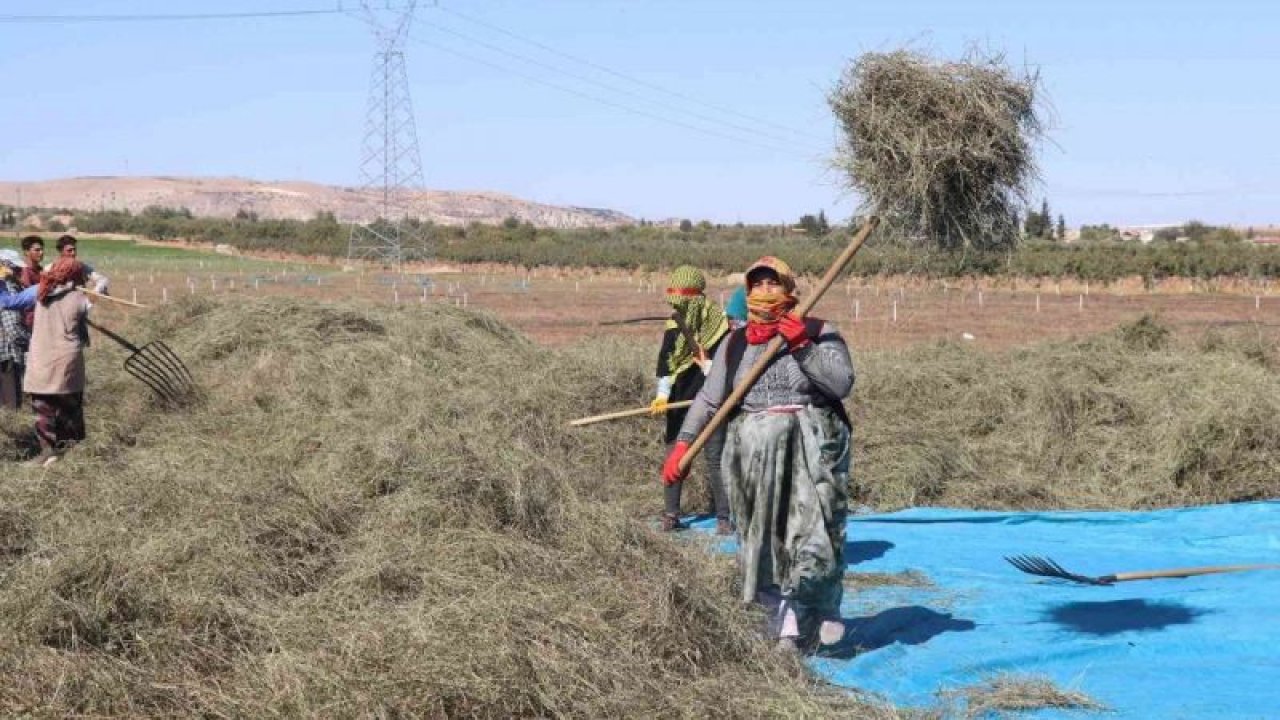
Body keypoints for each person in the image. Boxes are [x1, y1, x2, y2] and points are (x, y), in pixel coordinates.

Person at [662, 256, 854, 653]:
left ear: (789, 289)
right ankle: (782, 627)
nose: (765, 292)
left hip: (810, 450)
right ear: (747, 293)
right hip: (753, 455)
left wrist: (802, 345)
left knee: (815, 539)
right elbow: (710, 399)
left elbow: (841, 383)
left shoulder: (819, 332)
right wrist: (683, 444)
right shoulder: (735, 343)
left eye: (774, 284)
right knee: (763, 542)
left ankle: (821, 612)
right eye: (758, 285)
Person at [650, 265, 732, 533]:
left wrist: (708, 367)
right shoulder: (675, 324)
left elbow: (729, 368)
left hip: (714, 402)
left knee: (715, 459)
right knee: (675, 457)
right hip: (679, 402)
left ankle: (724, 518)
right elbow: (666, 362)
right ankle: (671, 515)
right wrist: (662, 395)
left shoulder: (719, 326)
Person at [22, 258, 91, 467]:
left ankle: (48, 451)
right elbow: (89, 309)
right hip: (67, 360)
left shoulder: (39, 293)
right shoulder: (79, 298)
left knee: (43, 407)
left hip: (42, 359)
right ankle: (73, 451)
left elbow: (12, 301)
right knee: (70, 407)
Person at [0, 250, 34, 408]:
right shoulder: (7, 287)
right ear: (6, 266)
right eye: (16, 268)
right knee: (10, 404)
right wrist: (29, 341)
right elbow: (12, 324)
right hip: (6, 353)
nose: (19, 272)